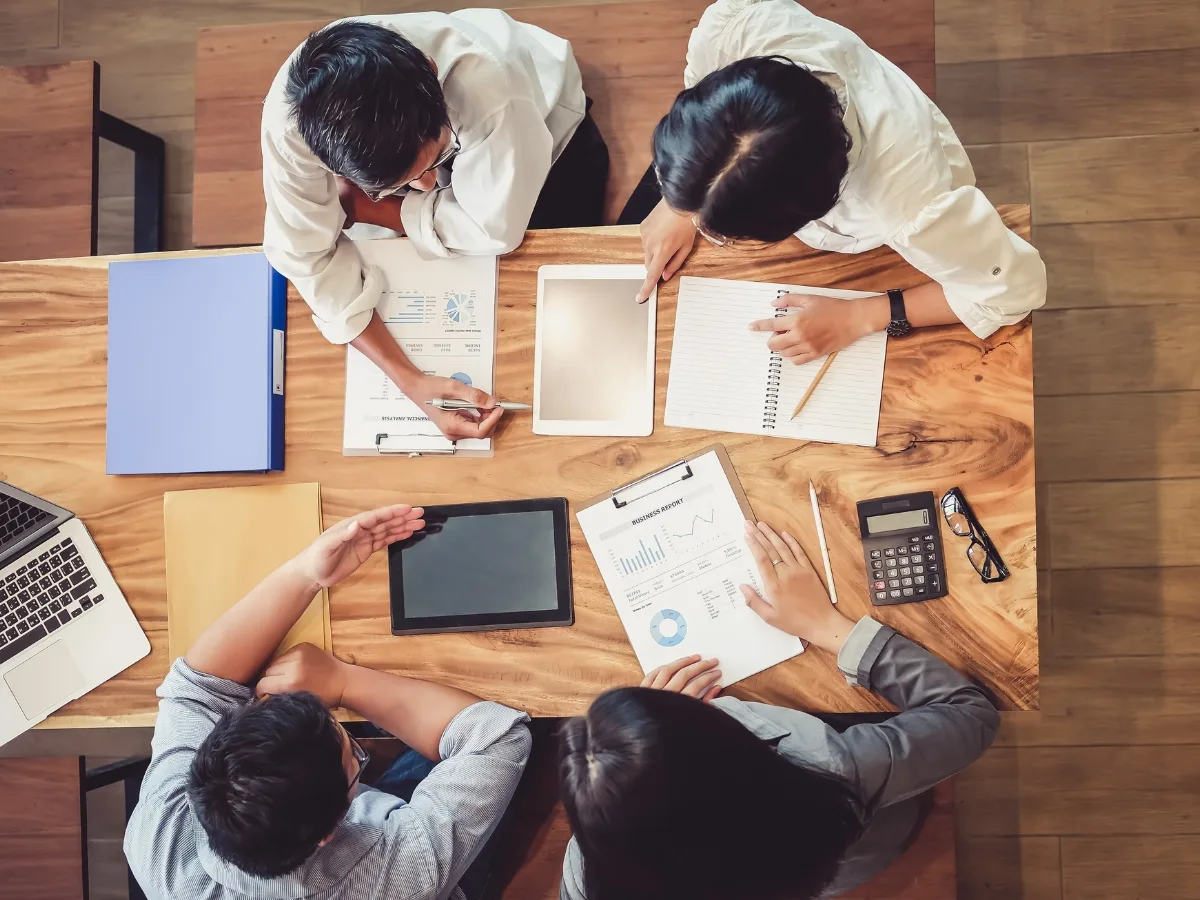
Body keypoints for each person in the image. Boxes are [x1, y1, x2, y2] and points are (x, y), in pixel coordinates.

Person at [558, 518, 1000, 900]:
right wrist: (827, 626)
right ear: (727, 744)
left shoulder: (588, 872)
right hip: (856, 846)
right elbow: (970, 714)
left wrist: (641, 754)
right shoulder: (832, 766)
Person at [123, 504, 532, 900]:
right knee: (521, 713)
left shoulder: (158, 843)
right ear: (328, 832)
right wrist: (343, 683)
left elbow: (197, 690)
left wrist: (305, 574)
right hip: (409, 865)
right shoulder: (403, 875)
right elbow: (498, 735)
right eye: (352, 757)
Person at [623, 0, 1046, 364]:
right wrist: (687, 195)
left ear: (811, 206)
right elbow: (717, 119)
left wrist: (859, 316)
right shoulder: (737, 28)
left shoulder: (908, 206)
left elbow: (1012, 292)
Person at [261, 12, 610, 440]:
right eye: (400, 185)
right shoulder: (291, 129)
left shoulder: (489, 86)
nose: (427, 187)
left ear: (431, 69)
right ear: (326, 161)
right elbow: (305, 257)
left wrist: (378, 209)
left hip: (547, 128)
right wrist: (412, 383)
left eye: (435, 160)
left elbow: (494, 229)